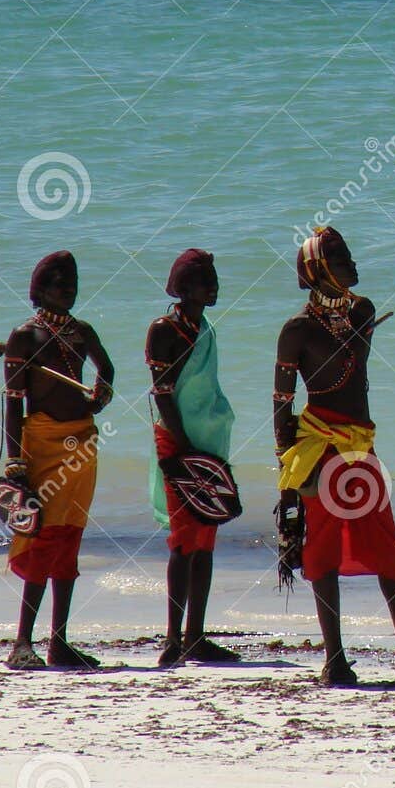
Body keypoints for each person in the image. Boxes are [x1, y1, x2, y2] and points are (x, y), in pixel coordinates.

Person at [273, 227, 395, 687]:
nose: (352, 262)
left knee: (386, 546)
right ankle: (335, 660)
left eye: (348, 253)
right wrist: (289, 471)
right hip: (319, 447)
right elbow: (281, 403)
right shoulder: (296, 331)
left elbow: (348, 365)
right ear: (319, 271)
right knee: (321, 551)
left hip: (360, 445)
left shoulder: (362, 310)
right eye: (339, 257)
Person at [0, 251, 115, 670]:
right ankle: (22, 642)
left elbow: (108, 368)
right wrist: (14, 461)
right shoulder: (24, 337)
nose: (68, 291)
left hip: (81, 444)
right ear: (40, 290)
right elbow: (12, 403)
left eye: (73, 284)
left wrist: (102, 391)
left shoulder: (82, 331)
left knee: (70, 537)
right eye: (59, 284)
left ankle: (60, 642)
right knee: (42, 536)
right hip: (43, 446)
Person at [147, 249, 240, 667]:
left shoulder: (206, 330)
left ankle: (195, 636)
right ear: (183, 288)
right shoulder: (164, 330)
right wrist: (182, 451)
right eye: (205, 280)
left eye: (215, 279)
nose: (214, 286)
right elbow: (163, 393)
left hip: (208, 444)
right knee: (183, 544)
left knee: (205, 542)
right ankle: (172, 639)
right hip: (180, 443)